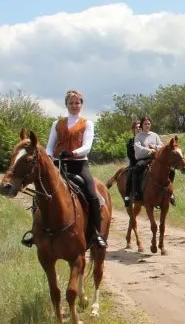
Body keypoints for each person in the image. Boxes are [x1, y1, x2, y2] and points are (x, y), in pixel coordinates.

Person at [25, 89, 107, 249]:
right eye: (71, 103)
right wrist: (50, 157)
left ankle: (96, 233)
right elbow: (49, 146)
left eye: (77, 103)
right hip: (58, 165)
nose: (74, 105)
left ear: (81, 104)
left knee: (92, 196)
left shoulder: (87, 123)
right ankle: (35, 232)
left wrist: (72, 153)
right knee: (40, 195)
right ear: (66, 105)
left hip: (79, 165)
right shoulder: (57, 124)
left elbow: (87, 147)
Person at [127, 115, 162, 205]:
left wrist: (154, 147)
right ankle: (136, 192)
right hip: (143, 158)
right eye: (145, 124)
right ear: (142, 125)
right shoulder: (138, 136)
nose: (147, 125)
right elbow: (138, 148)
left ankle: (170, 193)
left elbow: (161, 146)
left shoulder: (155, 135)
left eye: (149, 123)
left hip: (155, 158)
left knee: (170, 169)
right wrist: (149, 150)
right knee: (136, 168)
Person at [122, 118, 141, 206]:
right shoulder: (130, 142)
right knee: (130, 174)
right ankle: (127, 196)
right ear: (133, 130)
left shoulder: (146, 139)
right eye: (136, 127)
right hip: (135, 162)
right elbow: (130, 155)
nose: (138, 129)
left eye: (140, 127)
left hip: (147, 161)